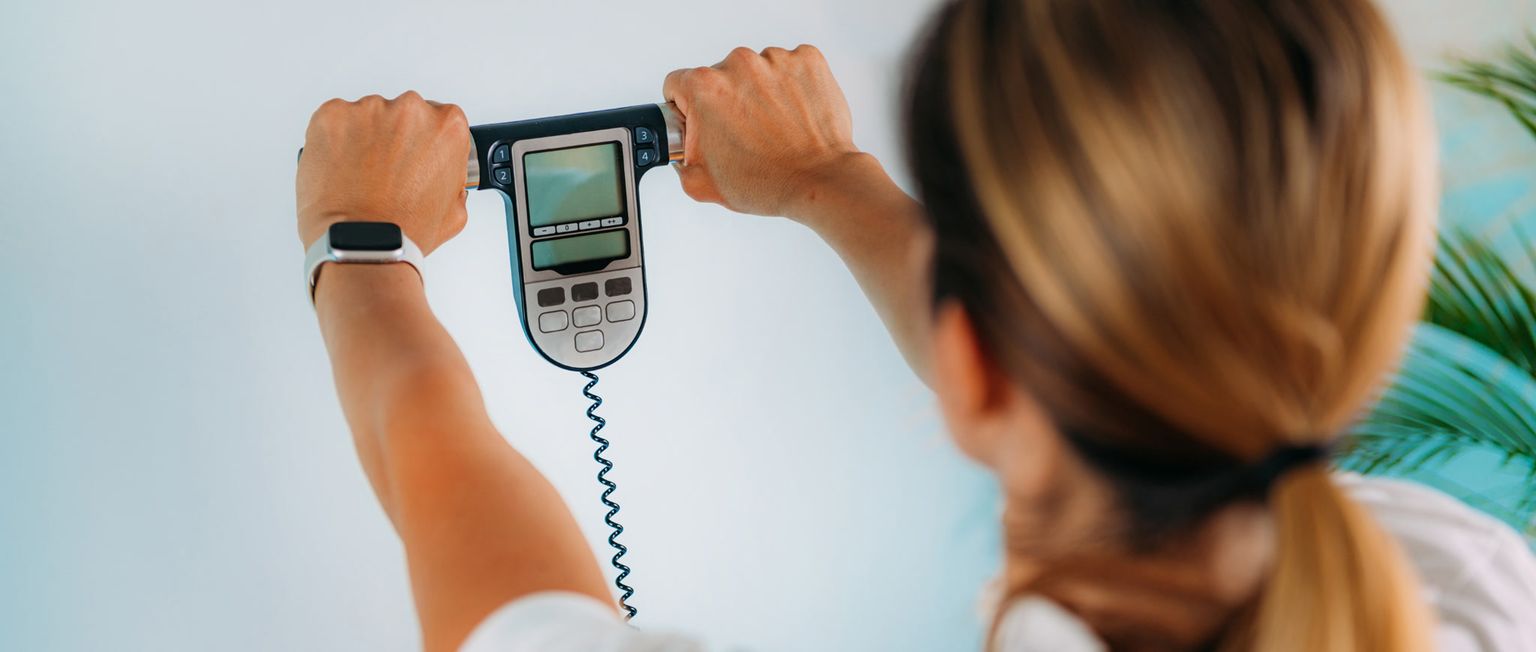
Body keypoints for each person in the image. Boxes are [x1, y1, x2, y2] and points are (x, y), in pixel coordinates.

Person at [294, 0, 1536, 650]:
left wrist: (359, 237)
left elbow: (433, 457)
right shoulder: (1472, 577)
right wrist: (828, 176)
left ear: (976, 364)